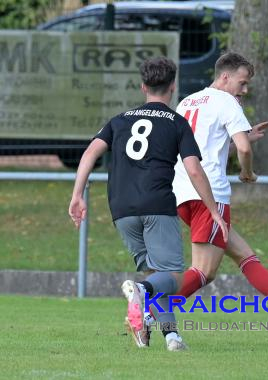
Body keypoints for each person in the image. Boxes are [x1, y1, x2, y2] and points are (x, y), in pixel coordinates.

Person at [68, 56, 228, 352]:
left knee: (156, 274)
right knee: (174, 278)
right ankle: (140, 292)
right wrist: (212, 209)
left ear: (143, 86)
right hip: (157, 205)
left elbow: (90, 152)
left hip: (121, 208)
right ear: (173, 86)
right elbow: (194, 169)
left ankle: (171, 337)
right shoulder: (177, 123)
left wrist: (77, 194)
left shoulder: (119, 120)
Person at [170, 52, 268, 332]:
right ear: (225, 77)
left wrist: (240, 135)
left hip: (182, 193)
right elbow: (244, 150)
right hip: (210, 193)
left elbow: (203, 144)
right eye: (243, 82)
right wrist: (246, 172)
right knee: (204, 271)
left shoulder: (188, 101)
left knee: (245, 256)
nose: (245, 90)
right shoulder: (227, 101)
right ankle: (150, 310)